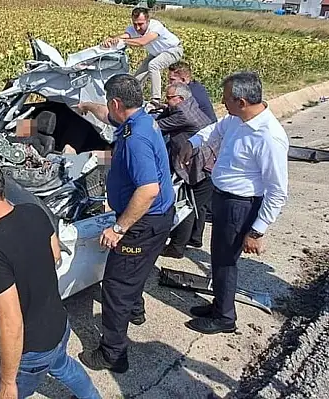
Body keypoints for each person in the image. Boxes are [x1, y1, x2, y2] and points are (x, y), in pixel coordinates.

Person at [0, 158, 101, 399]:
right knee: (64, 366)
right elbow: (55, 256)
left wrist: (7, 382)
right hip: (58, 324)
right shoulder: (34, 211)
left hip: (32, 348)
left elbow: (11, 322)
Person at [76, 74, 175, 373]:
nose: (108, 108)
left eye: (109, 103)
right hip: (158, 219)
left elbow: (148, 190)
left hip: (143, 222)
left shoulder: (136, 140)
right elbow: (110, 116)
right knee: (138, 270)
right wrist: (88, 106)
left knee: (116, 287)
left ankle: (112, 354)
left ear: (117, 102)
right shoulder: (140, 120)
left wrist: (118, 228)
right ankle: (136, 310)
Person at [178, 71, 289, 334]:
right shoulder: (237, 119)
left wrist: (257, 230)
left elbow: (277, 191)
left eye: (226, 98)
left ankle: (225, 318)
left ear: (241, 101)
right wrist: (192, 143)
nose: (222, 102)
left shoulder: (268, 136)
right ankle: (219, 304)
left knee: (226, 262)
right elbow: (214, 130)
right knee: (218, 258)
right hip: (224, 199)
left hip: (241, 206)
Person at [156, 82, 216, 259]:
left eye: (169, 98)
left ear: (180, 99)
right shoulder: (190, 104)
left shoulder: (182, 114)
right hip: (207, 163)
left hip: (199, 167)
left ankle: (176, 247)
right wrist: (164, 107)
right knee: (198, 204)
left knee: (186, 206)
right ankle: (194, 239)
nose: (166, 101)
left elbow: (156, 126)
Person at [102, 7, 184, 108]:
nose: (137, 28)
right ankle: (132, 100)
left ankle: (155, 100)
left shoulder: (156, 26)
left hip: (173, 49)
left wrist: (122, 41)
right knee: (136, 79)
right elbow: (125, 35)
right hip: (156, 53)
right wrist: (112, 40)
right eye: (135, 24)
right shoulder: (133, 28)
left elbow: (142, 42)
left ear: (148, 21)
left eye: (141, 24)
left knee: (153, 65)